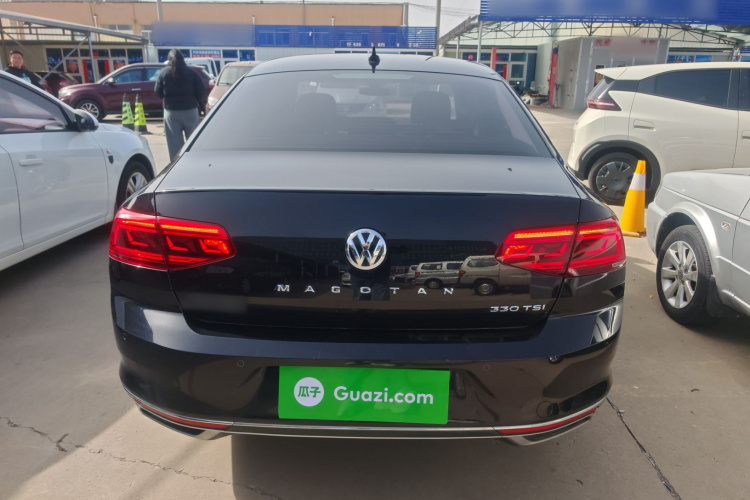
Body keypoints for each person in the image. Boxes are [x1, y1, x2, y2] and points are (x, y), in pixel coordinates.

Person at [155, 49, 206, 160]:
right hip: (190, 111)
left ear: (169, 60)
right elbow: (201, 91)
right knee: (193, 142)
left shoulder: (164, 73)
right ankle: (194, 163)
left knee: (174, 146)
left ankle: (177, 166)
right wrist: (195, 101)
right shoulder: (191, 72)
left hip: (171, 112)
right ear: (183, 59)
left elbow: (158, 91)